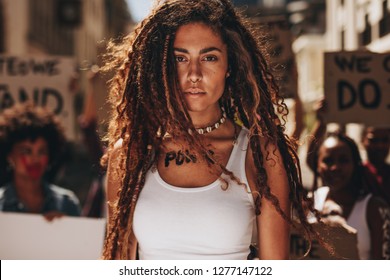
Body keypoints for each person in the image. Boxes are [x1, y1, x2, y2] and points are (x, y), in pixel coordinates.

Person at [102, 0, 318, 260]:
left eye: (209, 57)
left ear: (229, 67)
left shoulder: (260, 154)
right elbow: (117, 263)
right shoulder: (130, 153)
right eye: (179, 58)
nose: (194, 74)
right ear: (160, 68)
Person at [311, 131, 390, 259]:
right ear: (317, 166)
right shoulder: (309, 203)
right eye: (328, 160)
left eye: (343, 160)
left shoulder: (374, 209)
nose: (335, 167)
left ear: (355, 164)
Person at [0, 103, 81, 220]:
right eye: (26, 151)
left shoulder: (67, 203)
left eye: (42, 151)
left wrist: (65, 228)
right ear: (9, 155)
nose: (35, 159)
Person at [361, 126, 390, 204]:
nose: (380, 146)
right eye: (374, 140)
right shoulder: (356, 173)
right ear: (363, 141)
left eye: (385, 140)